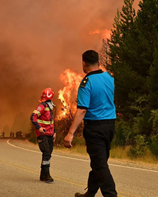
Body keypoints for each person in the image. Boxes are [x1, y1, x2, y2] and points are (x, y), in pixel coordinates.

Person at [64, 50, 117, 197]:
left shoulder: (86, 83)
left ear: (84, 63)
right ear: (99, 62)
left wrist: (70, 133)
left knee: (100, 165)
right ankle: (90, 193)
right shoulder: (109, 78)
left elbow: (81, 110)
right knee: (99, 161)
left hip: (95, 129)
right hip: (110, 126)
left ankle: (111, 194)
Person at [30, 87, 56, 183]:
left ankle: (42, 175)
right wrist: (39, 128)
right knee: (47, 153)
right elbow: (33, 116)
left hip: (49, 134)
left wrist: (55, 132)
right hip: (43, 134)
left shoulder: (49, 107)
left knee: (47, 155)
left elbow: (51, 121)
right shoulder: (42, 106)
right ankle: (47, 175)